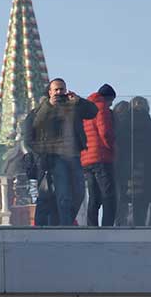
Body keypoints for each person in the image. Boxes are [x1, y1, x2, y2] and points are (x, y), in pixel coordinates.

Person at [26, 78, 98, 226]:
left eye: (62, 89)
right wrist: (49, 105)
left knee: (79, 192)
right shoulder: (42, 109)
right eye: (56, 90)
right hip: (53, 157)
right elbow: (33, 126)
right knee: (61, 195)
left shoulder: (72, 106)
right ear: (50, 92)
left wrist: (78, 100)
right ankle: (64, 226)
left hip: (73, 156)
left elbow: (93, 111)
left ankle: (64, 222)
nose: (59, 93)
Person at [123, 96, 151, 227]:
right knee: (145, 205)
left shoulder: (124, 126)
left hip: (129, 171)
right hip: (149, 171)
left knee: (128, 204)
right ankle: (142, 228)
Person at [81, 83, 118, 226]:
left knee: (94, 197)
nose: (111, 105)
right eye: (111, 101)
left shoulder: (86, 109)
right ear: (107, 98)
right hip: (101, 157)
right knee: (109, 196)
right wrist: (113, 149)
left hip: (87, 159)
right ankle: (107, 227)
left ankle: (92, 228)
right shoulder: (101, 108)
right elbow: (105, 132)